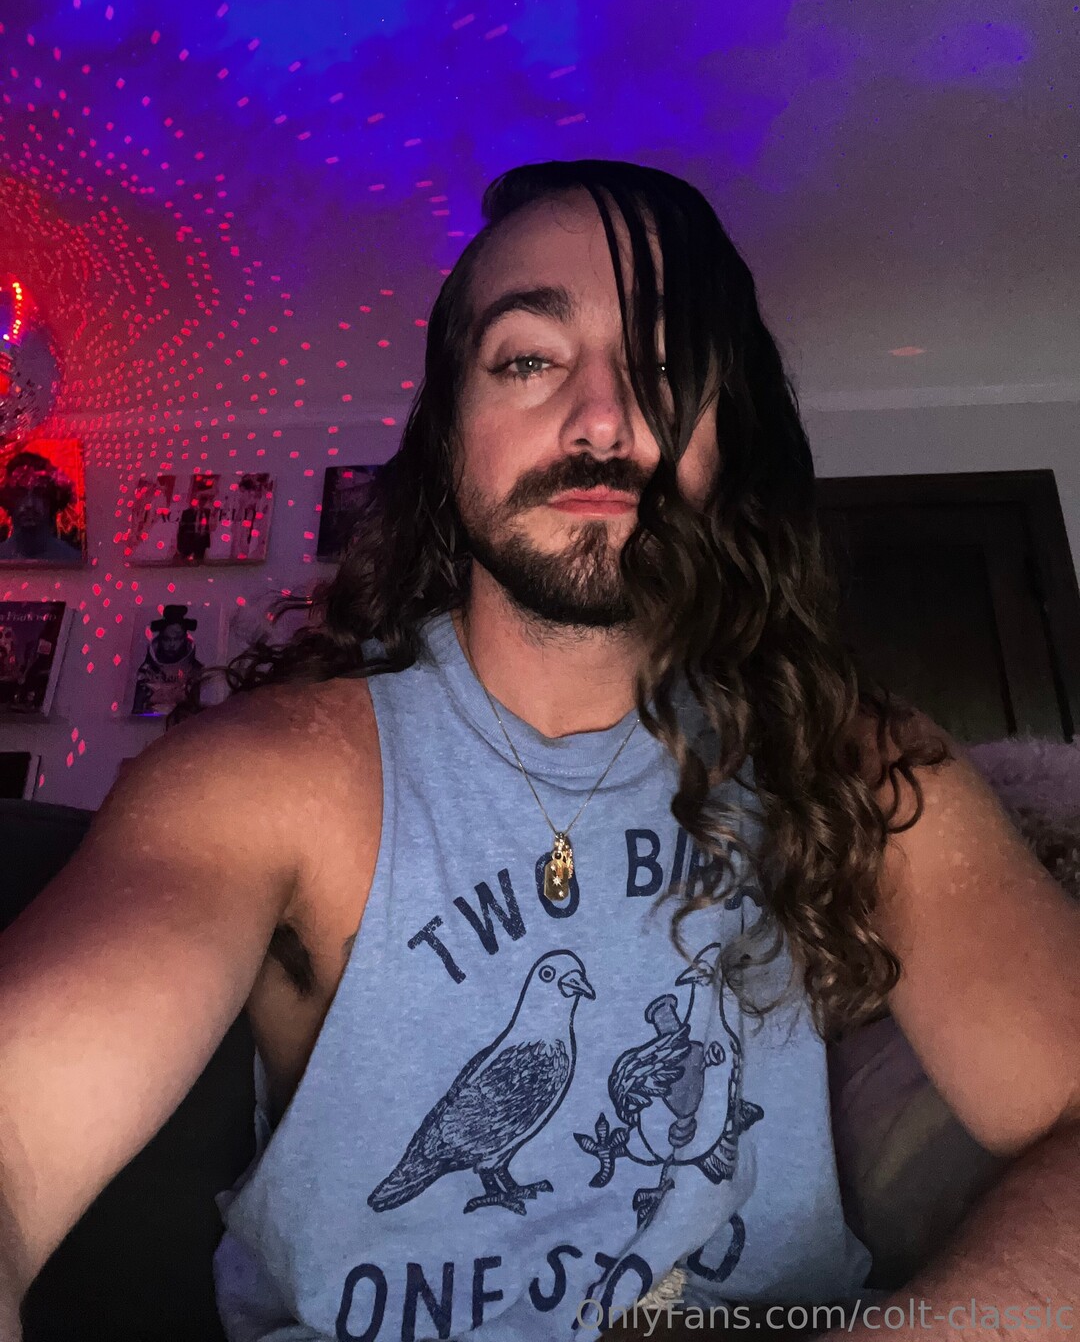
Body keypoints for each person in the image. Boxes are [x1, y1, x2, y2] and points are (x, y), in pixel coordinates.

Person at [0, 160, 1077, 1342]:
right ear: (448, 436)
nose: (603, 418)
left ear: (726, 434)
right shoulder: (262, 781)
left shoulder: (859, 764)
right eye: (527, 360)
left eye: (662, 368)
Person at [0, 450, 82, 563]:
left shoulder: (72, 561)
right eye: (21, 494)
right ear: (9, 500)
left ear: (51, 501)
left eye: (38, 494)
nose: (29, 504)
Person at [130, 605, 205, 717]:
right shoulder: (146, 672)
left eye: (177, 639)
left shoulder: (195, 671)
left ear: (184, 639)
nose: (172, 644)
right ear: (160, 640)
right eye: (167, 639)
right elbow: (136, 714)